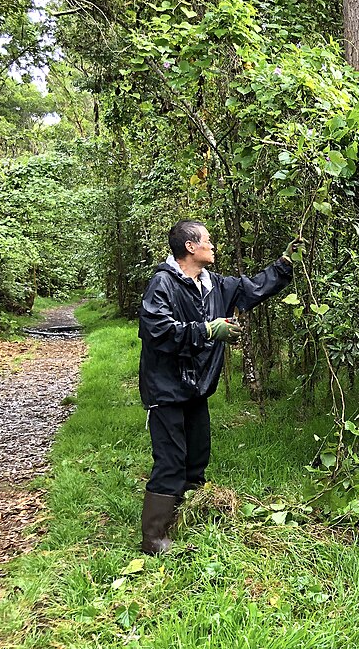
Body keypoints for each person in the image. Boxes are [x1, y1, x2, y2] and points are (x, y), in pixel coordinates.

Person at [137, 220, 296, 554]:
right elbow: (159, 333)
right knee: (170, 460)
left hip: (197, 388)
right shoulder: (162, 285)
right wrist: (207, 330)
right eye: (207, 240)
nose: (213, 246)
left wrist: (284, 265)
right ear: (190, 247)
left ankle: (185, 518)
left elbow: (252, 288)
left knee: (196, 457)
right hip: (166, 389)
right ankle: (154, 538)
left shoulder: (215, 284)